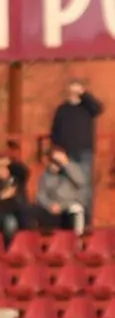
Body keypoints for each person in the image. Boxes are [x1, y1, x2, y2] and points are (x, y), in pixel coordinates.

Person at [51, 80, 102, 223]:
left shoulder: (87, 107)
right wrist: (57, 150)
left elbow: (98, 108)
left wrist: (83, 93)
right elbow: (55, 131)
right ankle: (66, 219)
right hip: (66, 153)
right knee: (65, 185)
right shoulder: (62, 109)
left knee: (84, 184)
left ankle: (86, 219)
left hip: (84, 152)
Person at [39, 147, 91, 235]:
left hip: (69, 204)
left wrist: (65, 163)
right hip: (52, 207)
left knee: (77, 209)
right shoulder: (45, 176)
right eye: (52, 161)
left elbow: (81, 182)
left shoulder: (72, 170)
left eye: (57, 162)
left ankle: (77, 237)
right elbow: (41, 196)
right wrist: (50, 205)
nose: (55, 165)